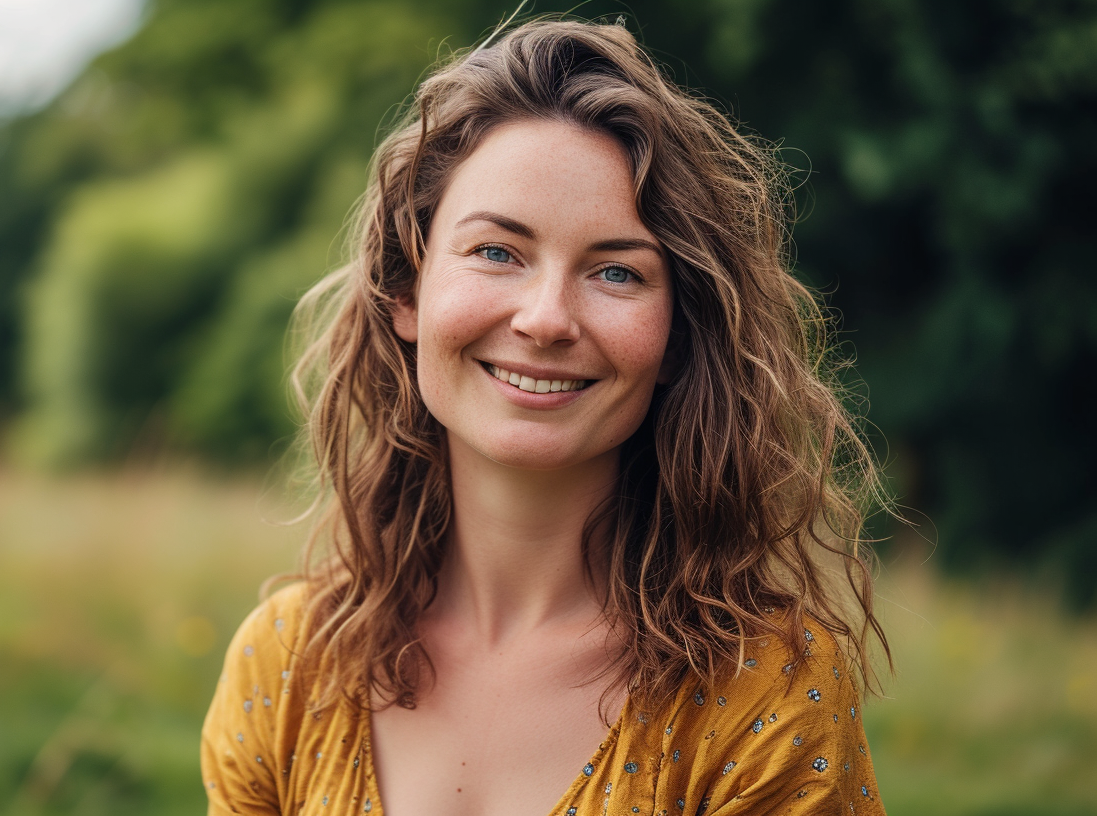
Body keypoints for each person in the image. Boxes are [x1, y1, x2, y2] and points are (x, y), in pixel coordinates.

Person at [201, 18, 892, 816]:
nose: (546, 319)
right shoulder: (285, 665)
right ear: (405, 291)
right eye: (497, 252)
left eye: (615, 272)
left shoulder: (766, 690)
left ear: (678, 337)